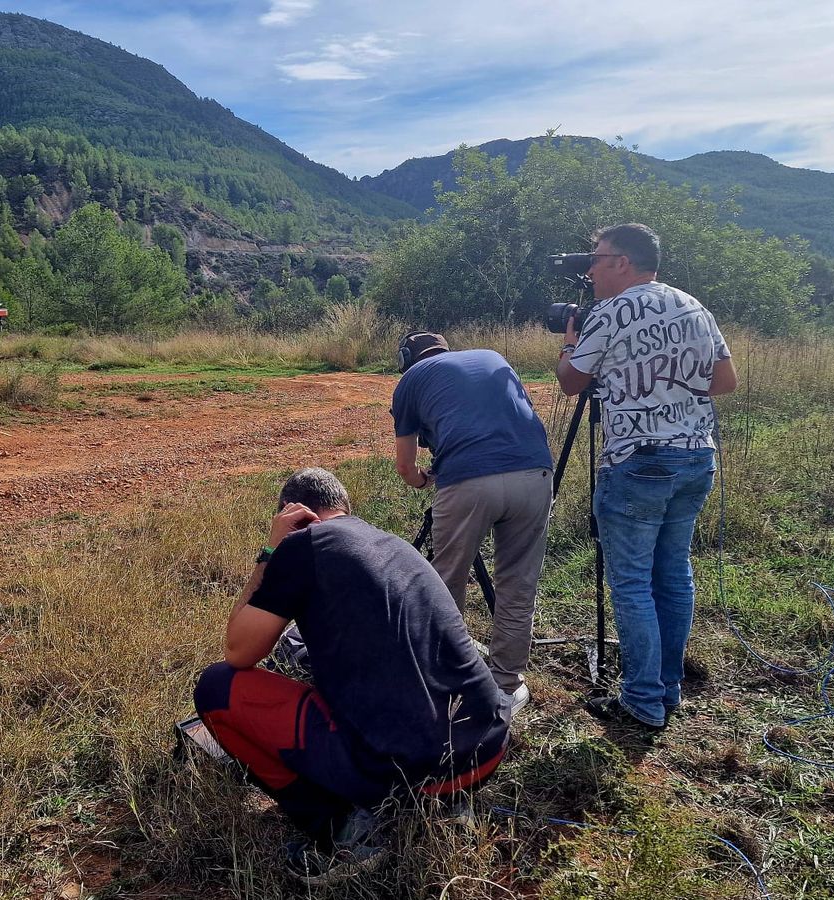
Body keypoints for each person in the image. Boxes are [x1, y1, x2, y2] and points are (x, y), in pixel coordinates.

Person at [192, 468, 511, 885]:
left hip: (413, 769)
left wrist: (270, 552)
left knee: (217, 688)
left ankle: (341, 833)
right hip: (486, 747)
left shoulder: (302, 544)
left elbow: (238, 651)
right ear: (345, 508)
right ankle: (449, 805)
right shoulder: (392, 542)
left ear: (295, 514)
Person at [555, 223, 737, 730]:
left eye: (596, 257)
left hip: (638, 462)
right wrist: (670, 387)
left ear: (622, 262)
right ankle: (668, 688)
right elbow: (724, 381)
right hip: (695, 457)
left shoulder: (611, 312)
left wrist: (572, 344)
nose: (589, 268)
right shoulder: (693, 305)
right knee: (673, 573)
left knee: (632, 582)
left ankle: (641, 699)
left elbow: (571, 383)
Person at [390, 332, 554, 707]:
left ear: (406, 358)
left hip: (466, 480)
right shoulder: (493, 356)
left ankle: (447, 679)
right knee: (518, 585)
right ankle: (505, 686)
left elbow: (405, 465)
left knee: (446, 581)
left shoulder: (411, 380)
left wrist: (423, 480)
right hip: (534, 474)